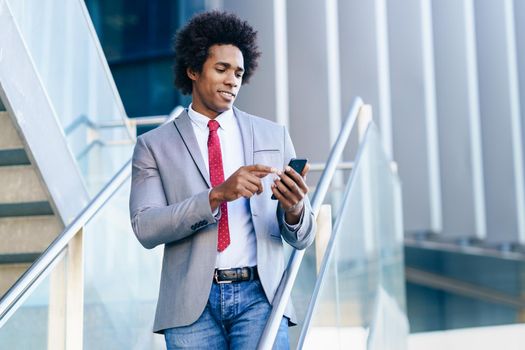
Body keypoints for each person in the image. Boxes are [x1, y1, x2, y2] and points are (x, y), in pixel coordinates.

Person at [129, 11, 315, 349]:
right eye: (222, 69)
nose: (232, 80)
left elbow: (304, 236)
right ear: (193, 70)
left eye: (239, 73)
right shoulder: (153, 146)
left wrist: (295, 209)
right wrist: (215, 196)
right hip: (189, 308)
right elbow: (146, 226)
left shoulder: (273, 135)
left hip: (261, 297)